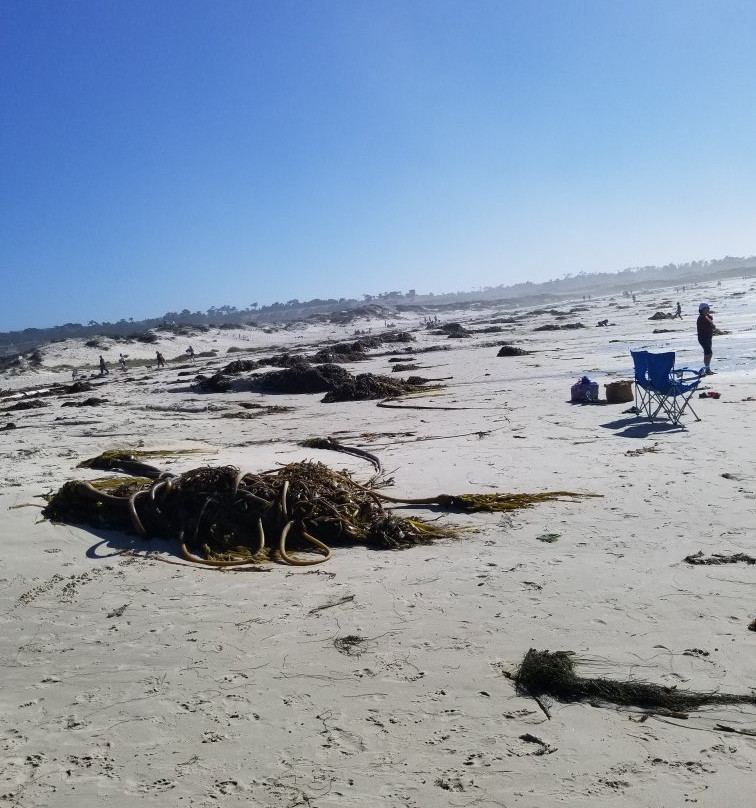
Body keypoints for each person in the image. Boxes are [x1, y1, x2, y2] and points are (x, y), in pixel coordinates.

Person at [696, 303, 715, 375]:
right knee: (708, 353)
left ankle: (707, 368)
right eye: (707, 308)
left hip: (708, 337)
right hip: (703, 338)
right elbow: (705, 328)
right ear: (703, 309)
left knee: (708, 353)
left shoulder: (705, 316)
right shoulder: (701, 318)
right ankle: (707, 369)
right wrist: (712, 327)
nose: (709, 309)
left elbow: (710, 319)